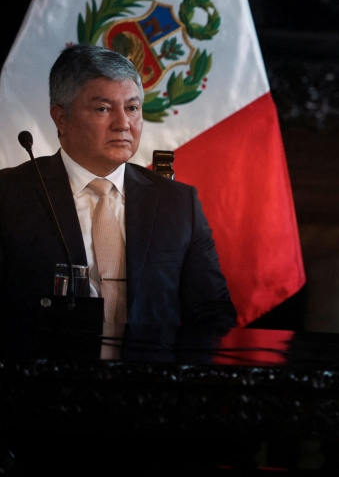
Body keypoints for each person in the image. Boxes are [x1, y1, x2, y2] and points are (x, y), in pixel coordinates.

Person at [0, 45, 236, 328]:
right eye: (103, 109)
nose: (123, 124)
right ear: (61, 118)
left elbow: (212, 312)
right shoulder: (10, 194)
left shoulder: (177, 203)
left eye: (132, 108)